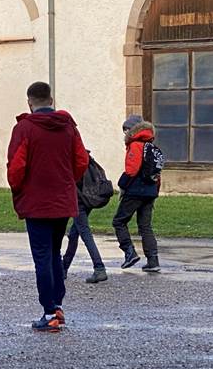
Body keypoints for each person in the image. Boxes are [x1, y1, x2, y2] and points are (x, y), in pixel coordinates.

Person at [7, 81, 89, 331]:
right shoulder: (68, 127)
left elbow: (16, 167)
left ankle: (49, 311)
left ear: (29, 102)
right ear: (51, 100)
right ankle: (57, 305)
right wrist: (66, 180)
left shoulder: (24, 128)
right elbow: (81, 161)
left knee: (42, 256)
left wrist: (19, 189)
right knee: (54, 252)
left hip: (36, 201)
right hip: (62, 199)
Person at [114, 116, 162, 272]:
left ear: (133, 130)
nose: (125, 133)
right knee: (145, 226)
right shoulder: (150, 145)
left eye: (126, 129)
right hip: (150, 191)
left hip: (135, 191)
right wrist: (154, 192)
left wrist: (122, 185)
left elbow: (132, 170)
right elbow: (157, 174)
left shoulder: (135, 145)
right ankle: (153, 261)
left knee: (119, 222)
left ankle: (130, 252)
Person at [63, 150, 109, 284]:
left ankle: (99, 268)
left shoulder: (72, 158)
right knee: (74, 234)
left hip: (79, 201)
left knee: (85, 233)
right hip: (87, 199)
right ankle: (64, 267)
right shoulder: (86, 157)